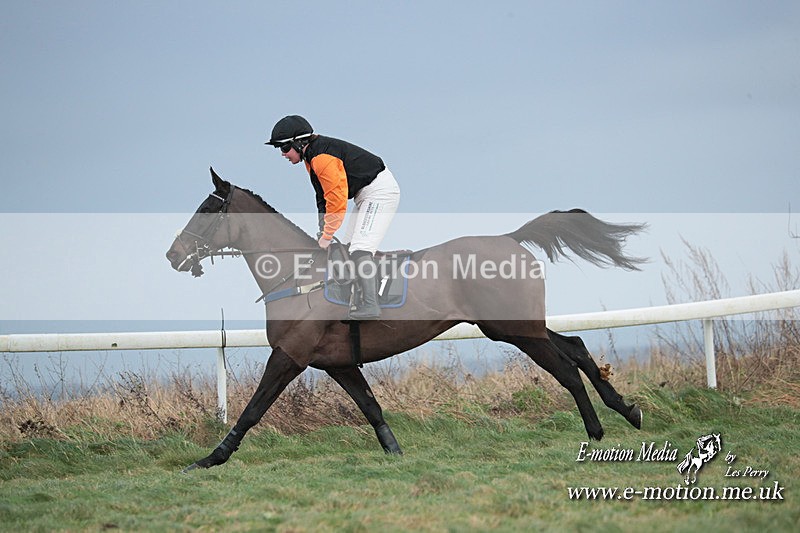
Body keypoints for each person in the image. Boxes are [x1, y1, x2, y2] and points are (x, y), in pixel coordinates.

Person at [266, 115, 400, 320]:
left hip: (378, 192)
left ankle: (371, 306)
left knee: (359, 248)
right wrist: (323, 229)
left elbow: (337, 200)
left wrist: (328, 234)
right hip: (364, 195)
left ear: (299, 143)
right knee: (345, 246)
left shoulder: (322, 158)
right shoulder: (311, 157)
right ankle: (353, 296)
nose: (283, 154)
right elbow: (322, 196)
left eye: (284, 148)